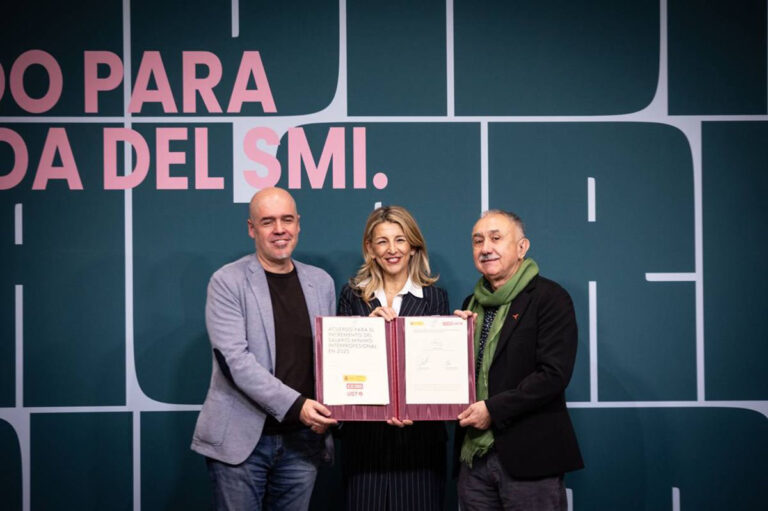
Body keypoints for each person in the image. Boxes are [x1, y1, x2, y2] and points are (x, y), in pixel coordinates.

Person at [191, 187, 337, 510]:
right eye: (268, 221)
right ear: (251, 228)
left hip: (302, 443)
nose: (280, 229)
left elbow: (335, 355)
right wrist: (298, 405)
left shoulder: (321, 282)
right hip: (241, 443)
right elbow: (235, 362)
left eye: (287, 219)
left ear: (299, 224)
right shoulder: (227, 281)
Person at [455, 209, 583, 511]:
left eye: (496, 238)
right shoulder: (470, 306)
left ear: (522, 247)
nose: (486, 248)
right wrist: (450, 340)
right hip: (474, 460)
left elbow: (553, 375)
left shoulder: (549, 298)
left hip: (530, 460)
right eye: (478, 241)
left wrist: (492, 410)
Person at [338, 205, 450, 511]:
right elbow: (341, 369)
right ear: (370, 249)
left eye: (400, 240)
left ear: (413, 246)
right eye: (383, 241)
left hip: (420, 443)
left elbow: (438, 373)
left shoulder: (435, 298)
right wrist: (367, 330)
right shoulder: (351, 296)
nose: (392, 249)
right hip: (365, 443)